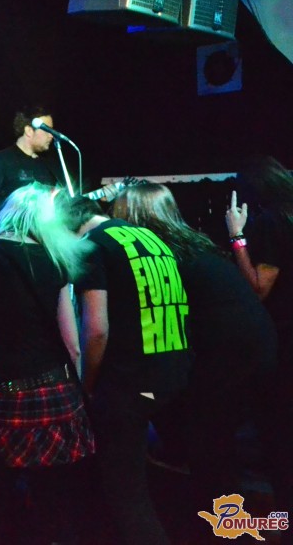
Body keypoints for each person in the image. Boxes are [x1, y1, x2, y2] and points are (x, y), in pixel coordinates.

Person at [114, 182, 277, 537]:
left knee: (206, 442)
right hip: (257, 343)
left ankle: (222, 529)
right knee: (217, 440)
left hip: (229, 352)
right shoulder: (193, 243)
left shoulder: (160, 254)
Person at [0, 183, 95, 544]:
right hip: (58, 395)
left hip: (9, 397)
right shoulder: (55, 257)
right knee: (56, 501)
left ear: (8, 212)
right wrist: (80, 395)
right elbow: (73, 345)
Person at [64, 196, 191, 545]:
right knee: (158, 479)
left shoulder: (91, 247)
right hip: (172, 371)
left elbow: (96, 330)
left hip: (130, 381)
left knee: (125, 492)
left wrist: (88, 385)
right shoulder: (149, 237)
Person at [225, 156, 293, 540]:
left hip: (283, 341)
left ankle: (284, 521)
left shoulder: (271, 223)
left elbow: (257, 287)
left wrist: (237, 236)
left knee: (278, 434)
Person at [0, 106, 65, 216]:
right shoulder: (1, 160)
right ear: (29, 131)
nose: (51, 135)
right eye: (47, 130)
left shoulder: (48, 164)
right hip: (12, 226)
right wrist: (14, 212)